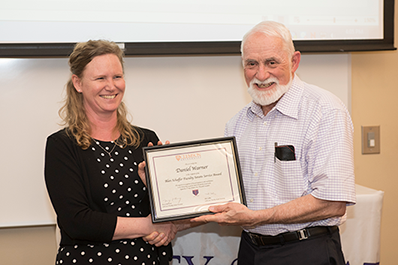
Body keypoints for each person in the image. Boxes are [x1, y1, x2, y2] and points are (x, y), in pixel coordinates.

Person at [192, 21, 356, 265]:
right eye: (251, 64)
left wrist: (257, 217)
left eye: (271, 62)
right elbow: (222, 192)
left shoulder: (324, 110)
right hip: (250, 251)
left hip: (306, 251)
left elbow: (332, 202)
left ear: (294, 61)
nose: (261, 74)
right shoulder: (237, 124)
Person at [45, 40, 180, 265]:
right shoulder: (62, 146)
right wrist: (148, 225)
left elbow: (170, 209)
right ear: (78, 83)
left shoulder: (145, 140)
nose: (111, 86)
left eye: (117, 77)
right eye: (100, 78)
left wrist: (158, 187)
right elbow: (77, 221)